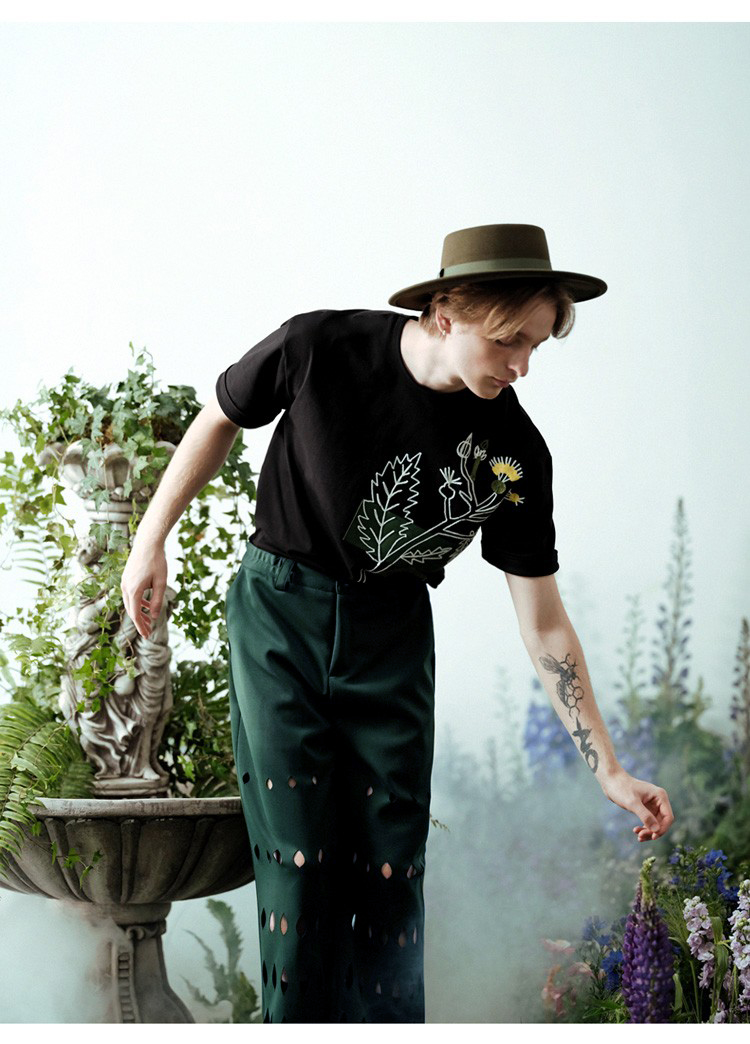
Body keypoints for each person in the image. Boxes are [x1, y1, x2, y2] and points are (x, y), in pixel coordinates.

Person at [120, 223, 675, 1024]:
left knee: (391, 870)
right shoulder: (319, 347)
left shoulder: (514, 450)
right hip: (280, 619)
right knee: (298, 864)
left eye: (535, 347)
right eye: (509, 341)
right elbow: (219, 416)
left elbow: (545, 623)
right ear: (446, 312)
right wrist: (150, 541)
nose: (522, 365)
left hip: (393, 639)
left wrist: (609, 769)